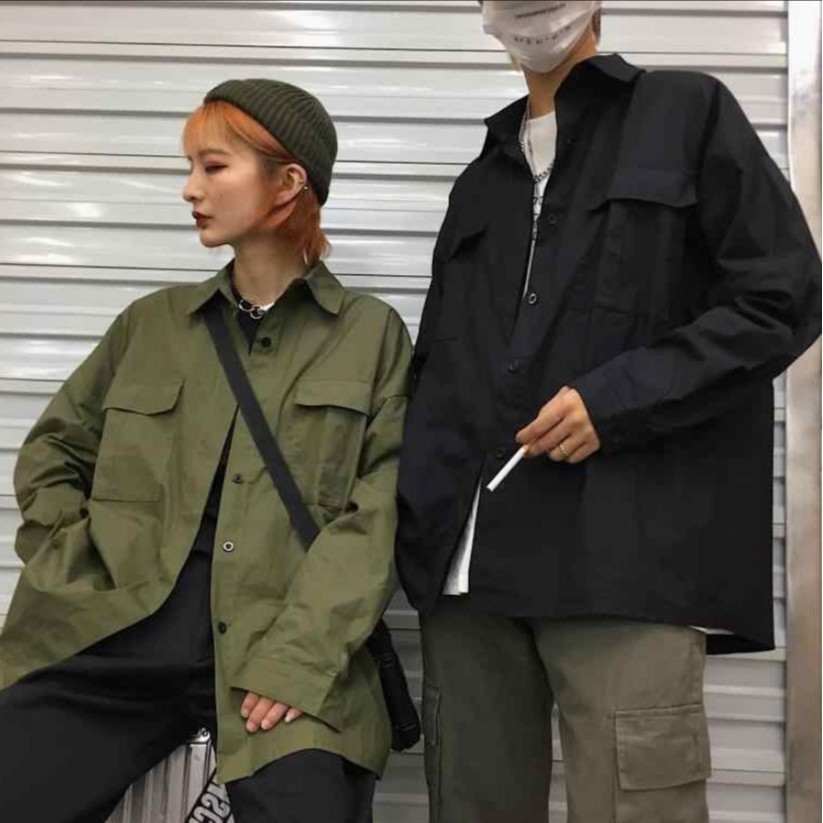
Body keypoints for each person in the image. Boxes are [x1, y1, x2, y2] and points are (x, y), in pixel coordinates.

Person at [395, 2, 821, 821]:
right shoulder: (482, 177)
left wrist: (616, 398)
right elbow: (442, 365)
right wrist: (418, 527)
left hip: (624, 561)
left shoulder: (686, 113)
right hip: (469, 579)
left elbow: (781, 296)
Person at [0, 78, 412, 823]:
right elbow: (53, 452)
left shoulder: (369, 334)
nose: (191, 188)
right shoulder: (151, 325)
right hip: (120, 635)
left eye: (214, 166)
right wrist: (76, 568)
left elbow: (377, 514)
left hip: (279, 645)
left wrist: (300, 657)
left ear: (288, 182)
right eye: (190, 167)